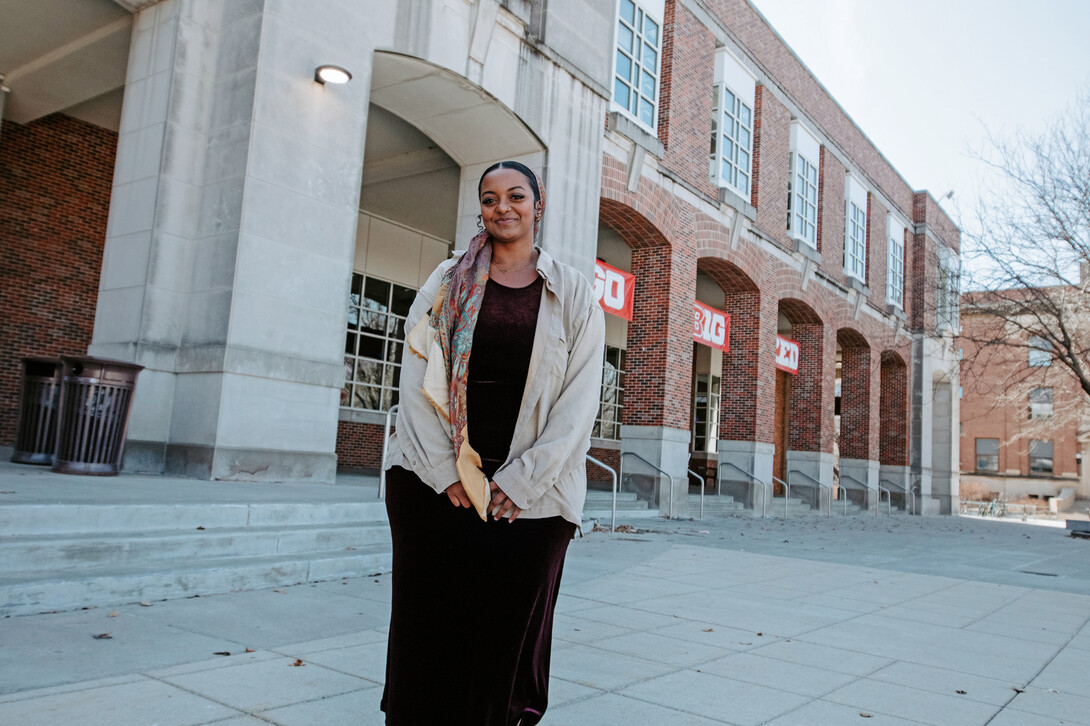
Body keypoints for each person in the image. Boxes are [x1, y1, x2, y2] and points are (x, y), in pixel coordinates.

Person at [380, 160, 605, 725]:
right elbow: (413, 378)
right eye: (489, 198)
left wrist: (524, 479)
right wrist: (446, 471)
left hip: (531, 497)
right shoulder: (446, 280)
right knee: (428, 635)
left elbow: (580, 403)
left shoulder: (573, 293)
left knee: (508, 643)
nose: (502, 207)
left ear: (539, 202)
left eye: (516, 196)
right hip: (436, 486)